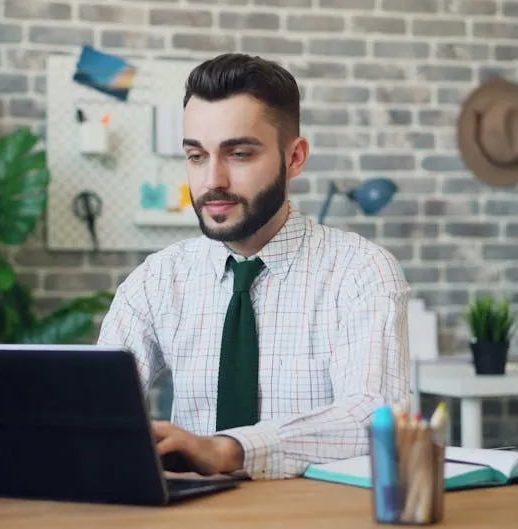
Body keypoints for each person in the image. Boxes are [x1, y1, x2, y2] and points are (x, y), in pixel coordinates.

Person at [97, 53, 410, 480]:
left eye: (239, 153)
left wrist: (230, 451)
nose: (212, 181)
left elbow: (375, 420)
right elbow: (95, 409)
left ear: (295, 157)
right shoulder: (155, 282)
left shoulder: (361, 272)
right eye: (196, 156)